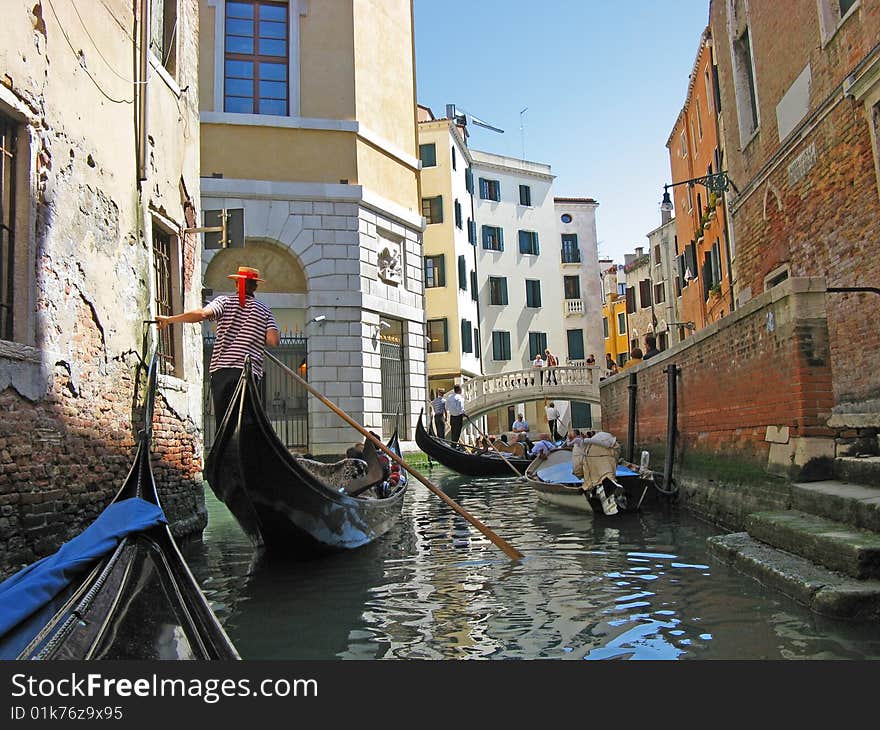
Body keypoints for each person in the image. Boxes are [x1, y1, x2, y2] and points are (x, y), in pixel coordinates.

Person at [157, 265, 279, 427]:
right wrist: (254, 335)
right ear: (255, 286)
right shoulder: (264, 310)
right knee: (246, 422)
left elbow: (202, 314)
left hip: (223, 372)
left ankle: (226, 450)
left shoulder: (224, 301)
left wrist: (170, 320)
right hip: (249, 372)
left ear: (237, 284)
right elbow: (273, 341)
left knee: (225, 421)